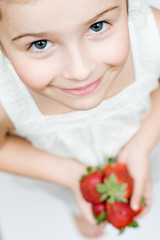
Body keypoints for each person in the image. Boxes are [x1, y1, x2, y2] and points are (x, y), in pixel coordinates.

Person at [0, 0, 160, 238]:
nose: (80, 71)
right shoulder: (5, 95)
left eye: (98, 26)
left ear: (128, 6)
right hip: (59, 174)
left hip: (141, 152)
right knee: (85, 217)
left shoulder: (153, 33)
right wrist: (71, 175)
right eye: (39, 43)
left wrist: (141, 145)